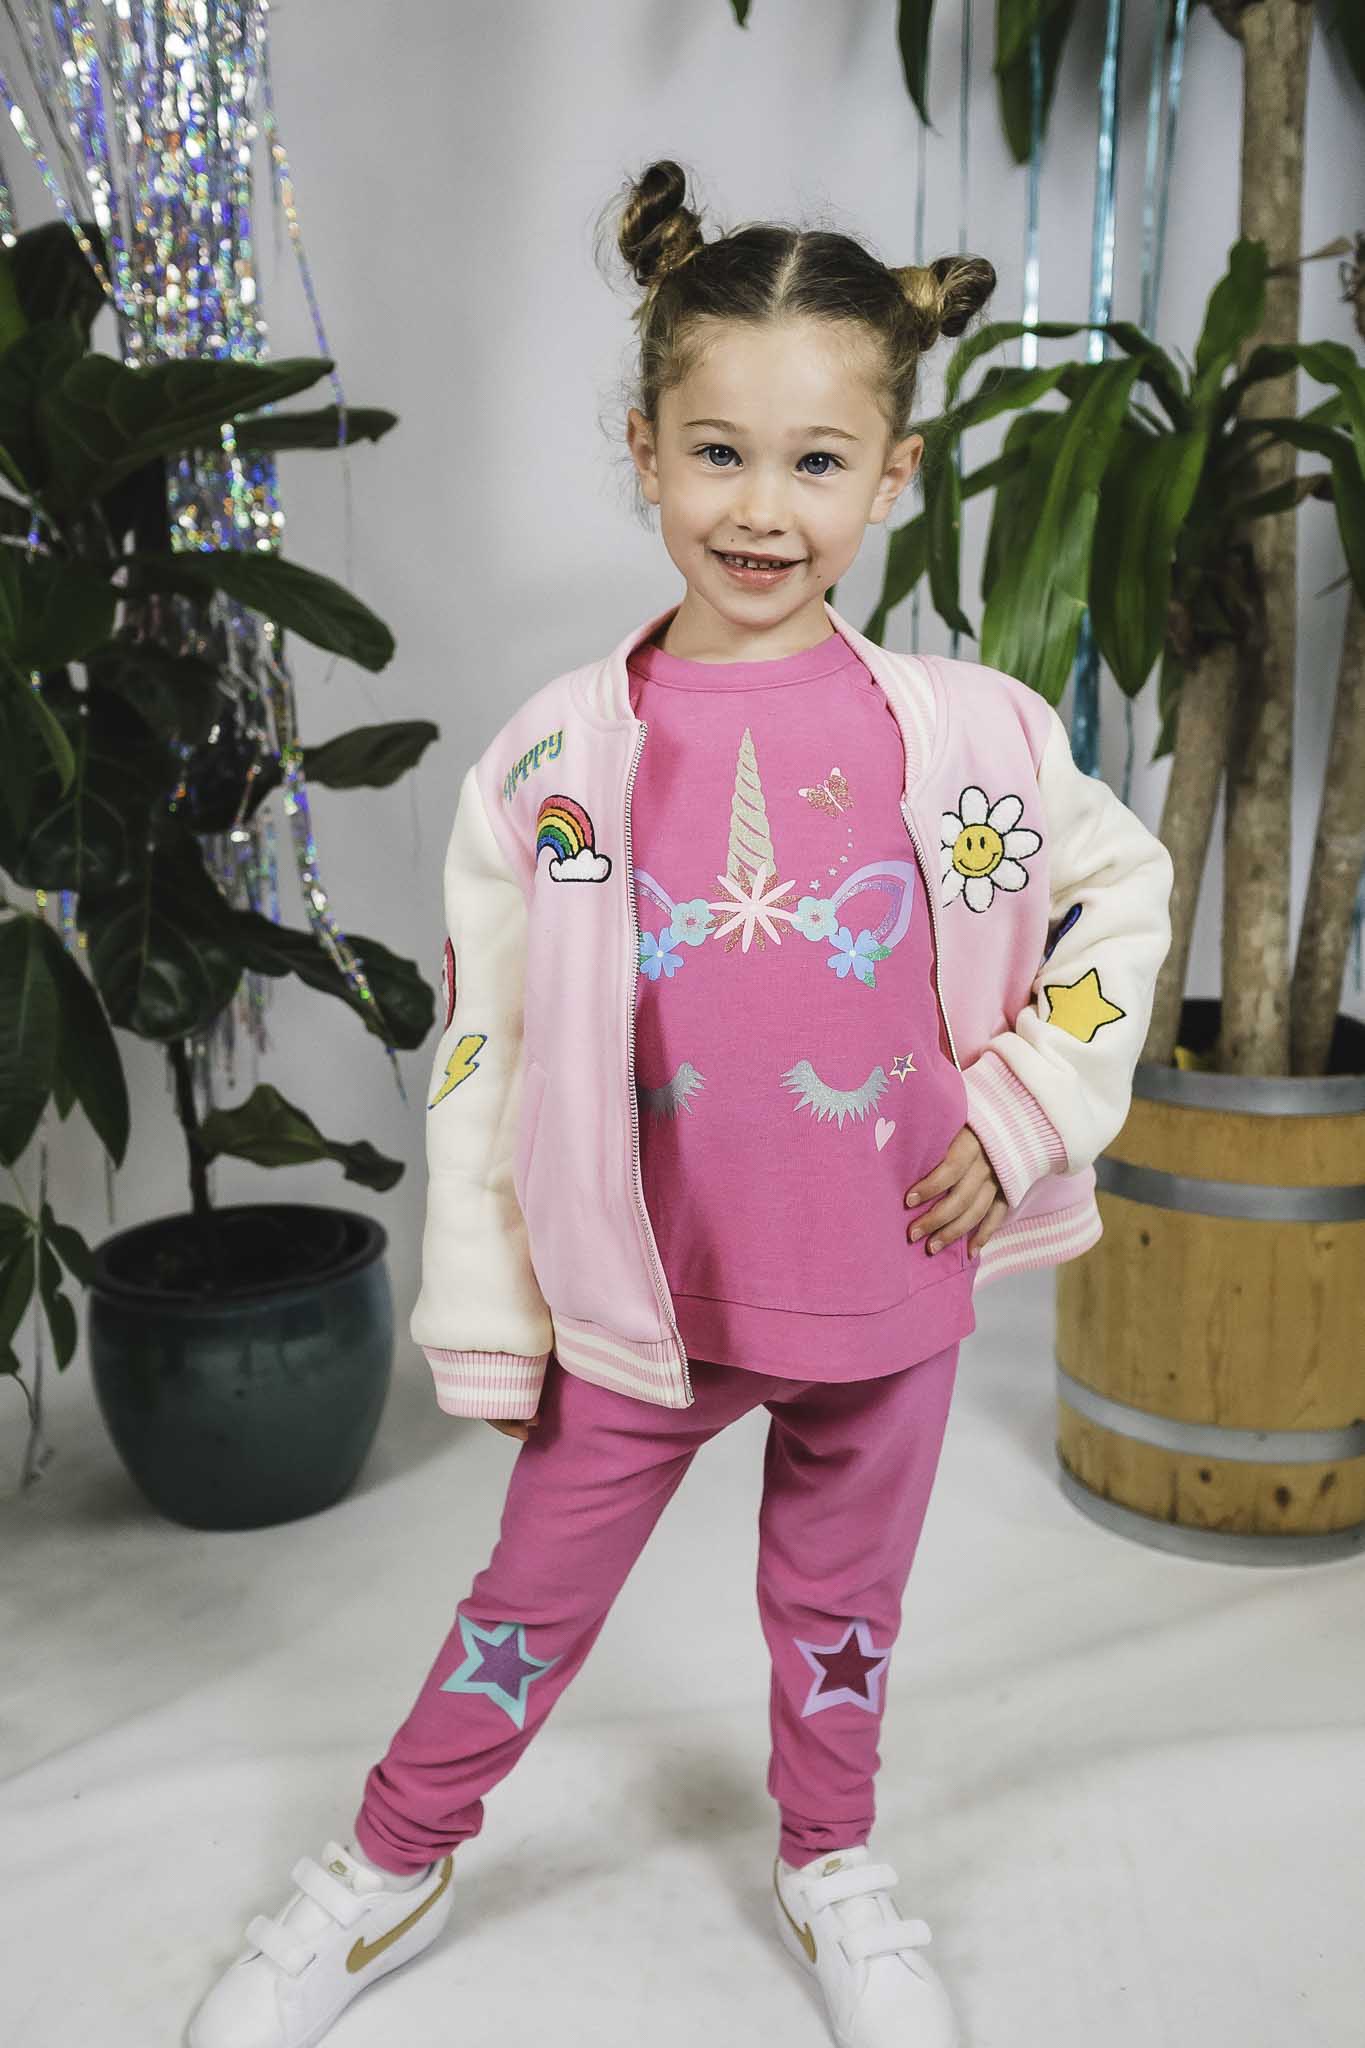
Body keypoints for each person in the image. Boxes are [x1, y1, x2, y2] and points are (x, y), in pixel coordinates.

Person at [187, 158, 1174, 2048]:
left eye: (817, 462)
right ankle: (389, 1859)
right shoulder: (560, 759)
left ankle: (830, 1858)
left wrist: (1027, 1109)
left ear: (892, 475)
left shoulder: (969, 735)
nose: (761, 508)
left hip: (885, 1276)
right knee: (527, 1601)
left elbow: (1116, 892)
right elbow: (481, 1041)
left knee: (841, 1613)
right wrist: (493, 1309)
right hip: (640, 1302)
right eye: (717, 453)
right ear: (642, 452)